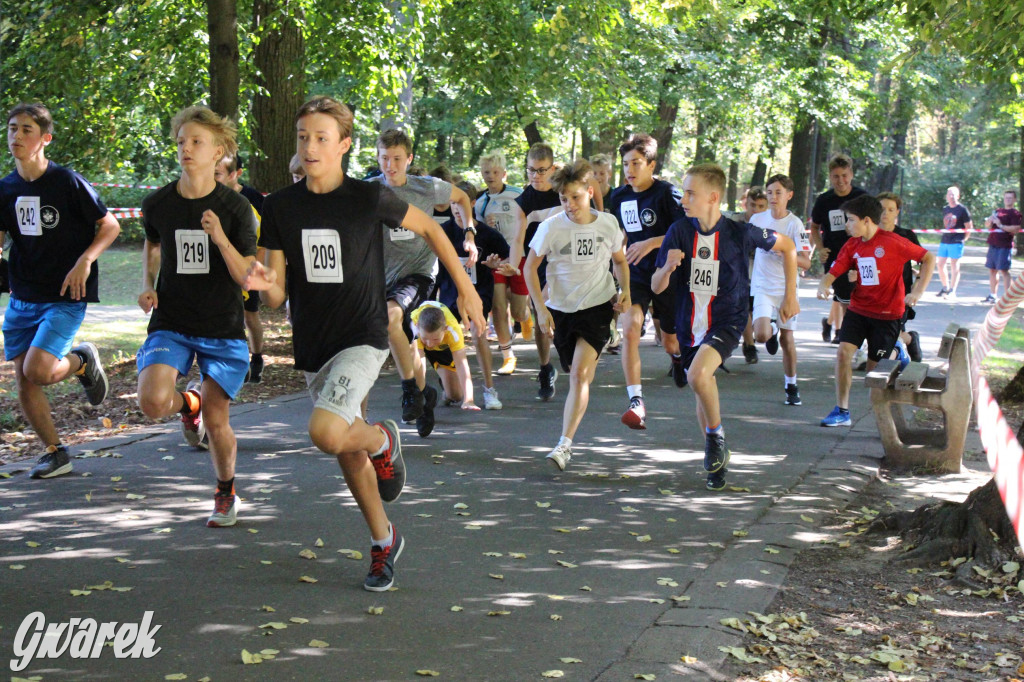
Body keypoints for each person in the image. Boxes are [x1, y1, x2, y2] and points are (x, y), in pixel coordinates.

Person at [245, 96, 484, 591]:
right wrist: (258, 278)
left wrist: (467, 289)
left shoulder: (367, 197)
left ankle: (384, 439)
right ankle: (383, 540)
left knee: (328, 432)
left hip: (365, 332)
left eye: (322, 138)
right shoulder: (279, 206)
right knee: (344, 449)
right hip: (315, 339)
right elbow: (276, 295)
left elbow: (434, 235)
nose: (310, 147)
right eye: (303, 137)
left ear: (345, 145)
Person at [135, 106, 257, 529]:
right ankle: (189, 403)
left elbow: (245, 273)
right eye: (182, 141)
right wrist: (148, 283)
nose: (186, 148)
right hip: (172, 320)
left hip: (221, 325)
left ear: (218, 152)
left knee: (218, 418)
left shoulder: (237, 209)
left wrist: (219, 236)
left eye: (197, 142)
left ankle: (225, 491)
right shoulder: (158, 204)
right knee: (151, 403)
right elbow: (151, 245)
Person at [652, 163, 799, 491]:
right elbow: (657, 286)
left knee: (698, 376)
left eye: (691, 193)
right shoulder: (679, 231)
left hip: (728, 320)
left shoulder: (739, 232)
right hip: (690, 324)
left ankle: (716, 438)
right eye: (684, 192)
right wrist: (667, 269)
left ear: (713, 198)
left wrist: (790, 295)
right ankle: (716, 460)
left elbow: (788, 247)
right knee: (701, 390)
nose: (684, 199)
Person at [0, 102, 120, 479]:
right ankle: (55, 452)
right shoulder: (5, 188)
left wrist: (85, 261)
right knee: (24, 380)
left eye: (26, 130)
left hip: (66, 294)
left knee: (38, 371)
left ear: (44, 139)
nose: (17, 136)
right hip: (23, 295)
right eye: (12, 128)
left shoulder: (67, 181)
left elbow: (110, 225)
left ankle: (81, 360)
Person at [524, 159, 629, 470]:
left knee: (581, 375)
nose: (569, 205)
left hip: (598, 305)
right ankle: (565, 440)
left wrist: (626, 292)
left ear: (590, 191)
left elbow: (620, 262)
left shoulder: (607, 224)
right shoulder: (551, 228)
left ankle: (564, 445)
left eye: (576, 197)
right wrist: (540, 310)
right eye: (563, 199)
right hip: (561, 308)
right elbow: (529, 267)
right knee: (574, 373)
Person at [369, 129, 479, 425]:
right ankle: (423, 394)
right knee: (405, 340)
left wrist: (469, 231)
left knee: (391, 318)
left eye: (397, 159)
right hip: (382, 278)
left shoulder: (427, 187)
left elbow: (462, 198)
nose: (390, 166)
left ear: (409, 159)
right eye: (384, 159)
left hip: (418, 275)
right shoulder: (369, 190)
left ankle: (410, 391)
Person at [818, 194, 935, 427]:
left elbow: (928, 258)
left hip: (887, 316)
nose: (847, 226)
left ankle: (897, 351)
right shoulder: (852, 244)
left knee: (873, 373)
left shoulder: (894, 242)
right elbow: (836, 267)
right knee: (843, 353)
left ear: (867, 221)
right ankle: (842, 410)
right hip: (859, 310)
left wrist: (917, 292)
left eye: (851, 220)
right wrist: (824, 284)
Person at [605, 134, 685, 429]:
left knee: (669, 340)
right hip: (635, 273)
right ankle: (636, 400)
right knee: (631, 325)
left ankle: (677, 357)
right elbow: (621, 235)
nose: (630, 169)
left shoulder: (667, 194)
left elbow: (686, 232)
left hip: (666, 274)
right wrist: (616, 263)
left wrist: (652, 242)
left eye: (636, 163)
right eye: (625, 163)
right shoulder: (619, 196)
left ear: (651, 164)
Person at [433, 179, 506, 414]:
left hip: (477, 295)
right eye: (452, 203)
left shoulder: (486, 234)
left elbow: (506, 258)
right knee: (436, 335)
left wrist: (496, 264)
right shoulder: (442, 231)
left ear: (472, 204)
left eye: (460, 203)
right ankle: (448, 383)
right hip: (449, 297)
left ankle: (489, 389)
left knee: (478, 332)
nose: (455, 208)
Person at [501, 143, 564, 401]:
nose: (535, 176)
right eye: (530, 170)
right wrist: (513, 265)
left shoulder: (566, 189)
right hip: (539, 263)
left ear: (553, 168)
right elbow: (517, 240)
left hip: (568, 260)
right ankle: (545, 367)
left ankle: (569, 351)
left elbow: (590, 184)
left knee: (560, 317)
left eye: (541, 170)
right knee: (542, 311)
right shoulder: (523, 201)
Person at [750, 175, 812, 405]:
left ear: (789, 195)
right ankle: (771, 328)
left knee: (787, 340)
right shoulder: (757, 220)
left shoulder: (796, 225)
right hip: (762, 286)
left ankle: (791, 385)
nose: (773, 197)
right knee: (762, 334)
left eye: (778, 192)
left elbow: (806, 262)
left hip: (786, 288)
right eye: (769, 192)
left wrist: (787, 253)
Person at [214, 152, 267, 382]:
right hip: (223, 266)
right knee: (227, 315)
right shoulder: (211, 196)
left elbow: (266, 237)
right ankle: (239, 362)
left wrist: (254, 266)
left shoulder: (253, 199)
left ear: (236, 174)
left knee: (249, 315)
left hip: (249, 265)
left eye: (218, 173)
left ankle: (257, 356)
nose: (213, 178)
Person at [474, 151, 523, 375]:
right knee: (498, 307)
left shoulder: (517, 195)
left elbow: (530, 222)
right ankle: (507, 356)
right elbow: (478, 230)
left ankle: (525, 318)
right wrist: (486, 222)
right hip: (496, 260)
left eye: (495, 172)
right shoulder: (481, 202)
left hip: (518, 256)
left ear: (503, 173)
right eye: (486, 172)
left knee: (520, 313)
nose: (490, 176)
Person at [809, 154, 866, 344]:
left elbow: (873, 225)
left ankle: (851, 335)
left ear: (851, 174)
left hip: (860, 254)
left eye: (844, 175)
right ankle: (849, 337)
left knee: (861, 295)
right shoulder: (825, 200)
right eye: (836, 176)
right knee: (844, 298)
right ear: (830, 177)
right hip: (835, 255)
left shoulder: (861, 197)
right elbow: (815, 227)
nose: (841, 180)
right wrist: (820, 248)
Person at [409, 301, 483, 437]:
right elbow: (420, 365)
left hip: (442, 349)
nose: (430, 344)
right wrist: (420, 399)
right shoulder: (413, 325)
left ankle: (445, 383)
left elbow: (462, 364)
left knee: (455, 396)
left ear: (445, 329)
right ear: (418, 327)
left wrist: (469, 399)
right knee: (413, 373)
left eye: (435, 339)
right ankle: (411, 403)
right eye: (427, 339)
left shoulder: (453, 330)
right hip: (418, 347)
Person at [877, 192, 923, 361]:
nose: (885, 213)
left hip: (899, 298)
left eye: (890, 209)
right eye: (882, 209)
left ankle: (895, 352)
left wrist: (916, 290)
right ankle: (909, 339)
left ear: (897, 212)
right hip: (873, 297)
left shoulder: (906, 236)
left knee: (887, 336)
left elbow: (925, 262)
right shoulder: (866, 235)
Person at [735, 187, 768, 364]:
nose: (755, 210)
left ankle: (769, 332)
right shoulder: (734, 220)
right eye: (752, 205)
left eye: (761, 206)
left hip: (764, 274)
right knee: (743, 308)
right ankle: (749, 345)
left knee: (760, 312)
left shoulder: (772, 223)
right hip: (740, 272)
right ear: (745, 204)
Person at [982, 190, 1020, 303]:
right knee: (992, 270)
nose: (1007, 199)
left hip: (1004, 245)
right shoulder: (998, 211)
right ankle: (993, 295)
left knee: (1004, 270)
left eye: (1010, 198)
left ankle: (1008, 298)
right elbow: (988, 225)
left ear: (1014, 200)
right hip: (993, 243)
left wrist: (1001, 225)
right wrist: (989, 221)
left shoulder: (1015, 213)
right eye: (1006, 197)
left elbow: (1015, 229)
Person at [936, 186, 972, 299]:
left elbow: (969, 227)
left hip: (956, 240)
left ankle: (953, 290)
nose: (951, 196)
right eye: (949, 194)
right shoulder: (945, 209)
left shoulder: (962, 209)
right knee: (940, 264)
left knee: (954, 265)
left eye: (953, 194)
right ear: (946, 196)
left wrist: (964, 239)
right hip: (945, 240)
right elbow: (946, 223)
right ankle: (945, 287)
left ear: (958, 196)